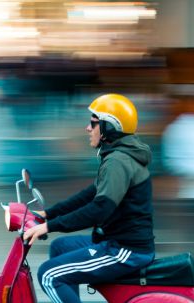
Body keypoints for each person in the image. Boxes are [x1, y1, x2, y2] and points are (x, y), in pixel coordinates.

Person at [23, 93, 155, 303]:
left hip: (125, 249)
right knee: (60, 247)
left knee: (50, 275)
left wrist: (49, 226)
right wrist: (47, 214)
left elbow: (99, 209)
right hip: (117, 241)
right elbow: (89, 195)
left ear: (108, 128)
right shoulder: (118, 155)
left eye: (93, 124)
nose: (87, 128)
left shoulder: (117, 161)